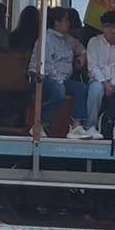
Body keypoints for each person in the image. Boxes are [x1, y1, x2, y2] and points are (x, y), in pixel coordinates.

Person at [28, 8, 89, 138]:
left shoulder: (68, 39)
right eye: (66, 20)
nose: (69, 23)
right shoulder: (45, 39)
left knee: (81, 88)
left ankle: (76, 126)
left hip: (62, 79)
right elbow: (46, 65)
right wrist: (59, 81)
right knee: (59, 93)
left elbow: (79, 47)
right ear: (56, 22)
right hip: (44, 78)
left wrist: (82, 55)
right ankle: (39, 123)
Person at [86, 11, 115, 140]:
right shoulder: (94, 42)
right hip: (98, 80)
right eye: (106, 26)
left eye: (114, 26)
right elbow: (92, 66)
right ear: (102, 27)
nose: (110, 30)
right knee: (95, 89)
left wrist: (112, 83)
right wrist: (104, 82)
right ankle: (91, 126)